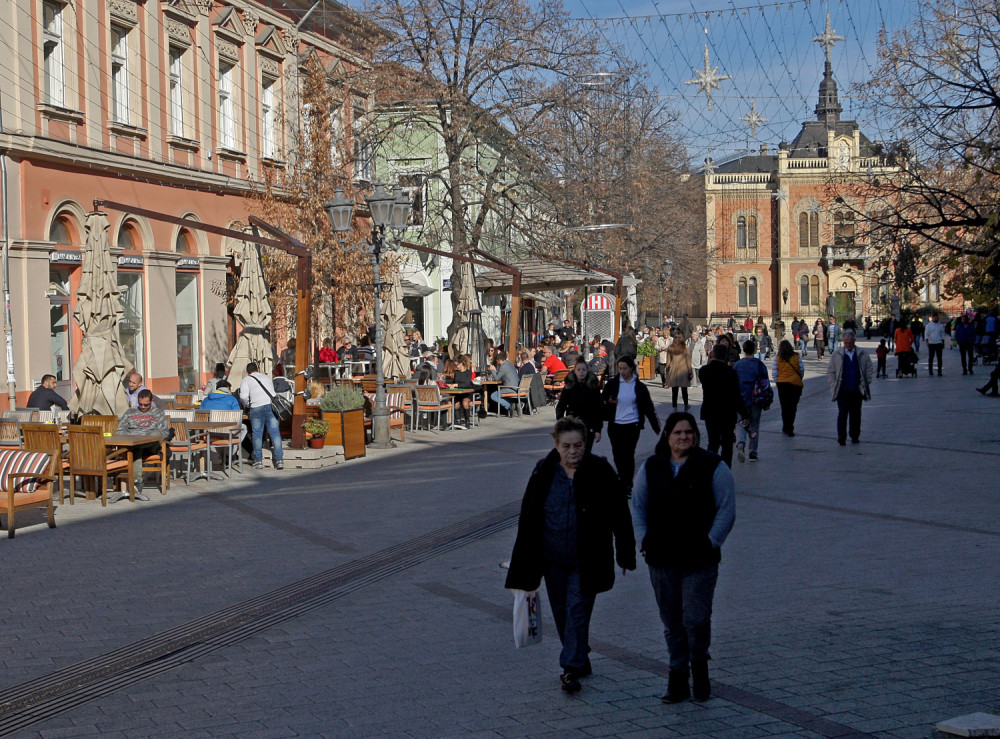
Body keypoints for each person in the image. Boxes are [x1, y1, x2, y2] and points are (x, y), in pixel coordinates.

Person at [505, 417, 636, 694]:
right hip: (551, 559)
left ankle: (569, 668)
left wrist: (625, 552)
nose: (574, 451)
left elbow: (619, 514)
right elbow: (528, 519)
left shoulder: (599, 470)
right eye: (567, 446)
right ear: (556, 445)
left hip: (587, 559)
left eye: (578, 445)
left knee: (577, 610)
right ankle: (580, 656)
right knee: (562, 612)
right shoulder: (544, 472)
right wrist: (522, 563)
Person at [632, 412, 735, 704]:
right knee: (672, 622)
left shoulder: (713, 466)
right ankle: (677, 676)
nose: (684, 437)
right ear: (667, 436)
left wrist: (711, 541)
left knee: (696, 619)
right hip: (662, 558)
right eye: (678, 432)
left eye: (689, 432)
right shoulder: (652, 466)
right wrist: (644, 540)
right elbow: (638, 506)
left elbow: (727, 509)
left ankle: (699, 670)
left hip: (699, 559)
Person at [601, 355, 661, 495]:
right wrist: (609, 401)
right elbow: (602, 398)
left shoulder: (639, 386)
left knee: (628, 454)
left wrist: (655, 426)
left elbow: (648, 407)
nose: (622, 371)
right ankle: (623, 479)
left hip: (632, 425)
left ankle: (627, 483)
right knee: (618, 454)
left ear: (631, 369)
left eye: (625, 368)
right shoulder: (613, 383)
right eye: (620, 368)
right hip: (615, 424)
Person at [114, 388, 169, 501]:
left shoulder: (158, 413)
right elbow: (120, 430)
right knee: (136, 448)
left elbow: (164, 432)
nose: (143, 407)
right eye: (141, 404)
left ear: (152, 401)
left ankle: (136, 481)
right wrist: (128, 439)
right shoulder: (130, 412)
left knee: (155, 433)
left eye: (146, 405)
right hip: (133, 444)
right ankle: (137, 482)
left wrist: (147, 438)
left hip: (151, 445)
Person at [698, 344, 747, 467]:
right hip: (727, 412)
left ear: (713, 354)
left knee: (713, 442)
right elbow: (736, 395)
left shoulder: (704, 371)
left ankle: (711, 470)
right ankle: (725, 470)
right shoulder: (730, 372)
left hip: (710, 411)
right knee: (727, 444)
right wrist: (744, 413)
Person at [826, 329, 874, 446]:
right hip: (842, 390)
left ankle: (854, 435)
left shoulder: (862, 354)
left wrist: (866, 381)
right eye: (846, 342)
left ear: (854, 341)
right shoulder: (837, 355)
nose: (848, 345)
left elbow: (869, 368)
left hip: (857, 389)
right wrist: (833, 384)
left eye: (850, 342)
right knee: (842, 414)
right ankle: (841, 437)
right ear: (843, 341)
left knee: (856, 414)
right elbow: (830, 371)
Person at [238, 362, 285, 470]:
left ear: (247, 372)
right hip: (270, 406)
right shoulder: (267, 377)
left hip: (256, 408)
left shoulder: (246, 380)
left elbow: (244, 397)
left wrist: (247, 405)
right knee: (274, 432)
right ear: (258, 369)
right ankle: (279, 460)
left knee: (257, 434)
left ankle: (258, 461)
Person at [733, 340, 770, 462]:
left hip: (741, 398)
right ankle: (753, 451)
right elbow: (765, 383)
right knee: (754, 424)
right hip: (756, 398)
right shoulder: (759, 364)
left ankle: (740, 442)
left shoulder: (737, 365)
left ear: (744, 350)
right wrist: (768, 399)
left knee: (741, 423)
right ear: (754, 350)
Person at [556, 359, 604, 453]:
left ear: (587, 371)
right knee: (575, 452)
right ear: (575, 371)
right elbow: (561, 405)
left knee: (586, 452)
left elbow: (598, 409)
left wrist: (598, 429)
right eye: (579, 370)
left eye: (583, 369)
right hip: (573, 424)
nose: (581, 372)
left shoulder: (593, 387)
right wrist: (561, 422)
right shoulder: (570, 386)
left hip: (589, 423)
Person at [773, 339, 804, 436]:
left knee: (785, 406)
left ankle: (785, 426)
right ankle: (790, 426)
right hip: (795, 384)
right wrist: (798, 378)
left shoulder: (778, 358)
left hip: (783, 384)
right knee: (792, 407)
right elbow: (801, 369)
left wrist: (777, 381)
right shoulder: (796, 356)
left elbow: (775, 372)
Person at [664, 334, 693, 412]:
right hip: (683, 369)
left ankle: (674, 407)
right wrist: (690, 370)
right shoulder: (685, 347)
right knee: (684, 390)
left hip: (673, 369)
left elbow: (668, 360)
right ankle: (686, 405)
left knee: (674, 390)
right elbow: (688, 359)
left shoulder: (670, 347)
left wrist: (667, 370)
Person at [447, 356, 476, 428]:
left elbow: (467, 383)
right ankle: (457, 421)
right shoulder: (456, 372)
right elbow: (454, 382)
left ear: (462, 364)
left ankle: (467, 420)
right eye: (455, 365)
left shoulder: (468, 372)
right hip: (458, 393)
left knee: (465, 403)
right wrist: (451, 384)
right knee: (456, 404)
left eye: (457, 365)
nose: (456, 367)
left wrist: (457, 385)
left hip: (466, 393)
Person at [490, 350, 521, 415]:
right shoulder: (510, 365)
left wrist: (493, 370)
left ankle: (509, 406)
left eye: (497, 361)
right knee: (499, 392)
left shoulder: (503, 366)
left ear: (500, 360)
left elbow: (496, 378)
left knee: (493, 395)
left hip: (510, 388)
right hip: (516, 387)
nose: (497, 363)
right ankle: (512, 405)